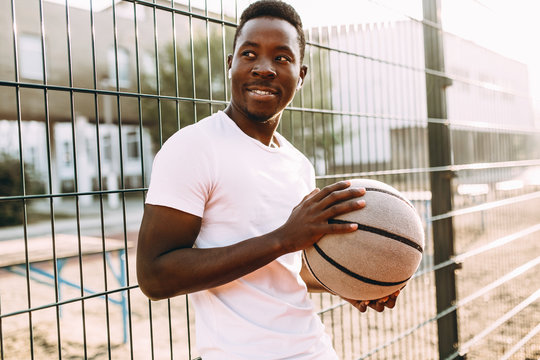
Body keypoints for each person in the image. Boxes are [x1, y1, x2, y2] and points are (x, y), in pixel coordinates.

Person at [136, 1, 399, 358]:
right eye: (249, 54)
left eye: (281, 58)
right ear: (230, 65)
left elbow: (284, 268)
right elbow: (154, 276)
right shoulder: (193, 147)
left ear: (301, 75)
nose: (264, 68)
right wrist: (281, 239)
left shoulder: (298, 164)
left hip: (314, 349)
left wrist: (347, 277)